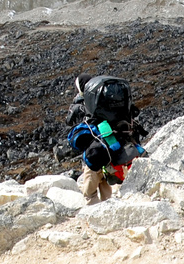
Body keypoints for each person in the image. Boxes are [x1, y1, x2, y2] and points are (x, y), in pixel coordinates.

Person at [57, 74, 147, 204]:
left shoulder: (81, 105)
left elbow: (69, 121)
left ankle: (93, 207)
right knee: (105, 181)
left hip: (93, 150)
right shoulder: (105, 101)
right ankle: (108, 204)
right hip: (110, 145)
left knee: (89, 187)